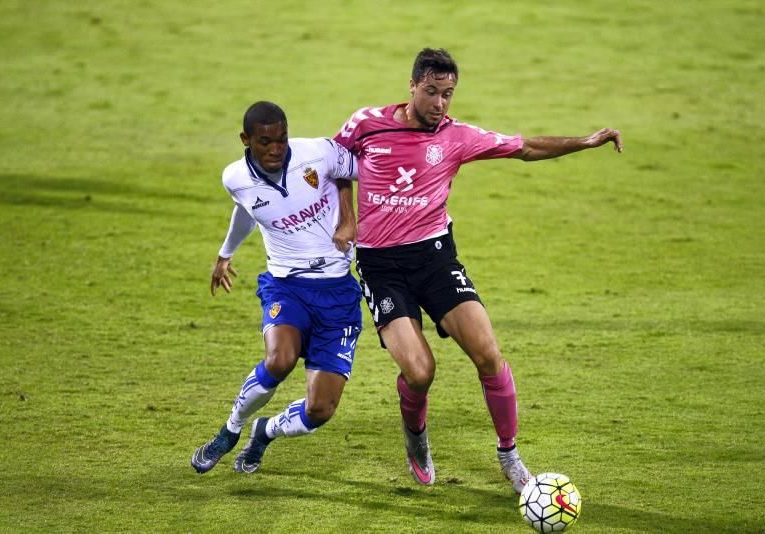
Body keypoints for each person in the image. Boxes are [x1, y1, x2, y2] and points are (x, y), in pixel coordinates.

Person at [333, 48, 622, 493]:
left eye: (448, 94)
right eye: (431, 92)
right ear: (412, 86)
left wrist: (583, 142)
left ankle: (509, 454)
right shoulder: (367, 123)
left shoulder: (456, 137)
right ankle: (416, 435)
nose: (440, 104)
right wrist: (346, 218)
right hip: (381, 267)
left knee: (488, 353)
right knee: (420, 371)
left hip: (434, 259)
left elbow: (523, 147)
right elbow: (335, 164)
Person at [191, 101, 363, 475]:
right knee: (279, 359)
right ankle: (230, 430)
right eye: (265, 142)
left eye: (281, 140)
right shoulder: (234, 177)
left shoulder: (316, 153)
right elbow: (248, 209)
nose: (275, 149)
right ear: (246, 140)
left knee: (321, 410)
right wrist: (225, 254)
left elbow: (352, 170)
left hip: (338, 293)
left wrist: (349, 220)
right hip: (287, 286)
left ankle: (264, 431)